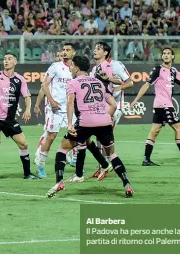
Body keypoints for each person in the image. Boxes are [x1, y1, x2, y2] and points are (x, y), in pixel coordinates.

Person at [46, 56, 134, 198]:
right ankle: (127, 184)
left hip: (85, 122)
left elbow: (70, 103)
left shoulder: (73, 83)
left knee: (63, 148)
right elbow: (113, 104)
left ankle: (59, 182)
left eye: (72, 66)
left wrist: (69, 124)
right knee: (112, 154)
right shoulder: (99, 82)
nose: (71, 68)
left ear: (77, 67)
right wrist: (104, 116)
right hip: (104, 122)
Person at [130, 48, 180, 166]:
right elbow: (146, 85)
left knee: (154, 131)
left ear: (173, 56)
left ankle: (146, 160)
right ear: (162, 57)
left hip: (160, 106)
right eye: (164, 53)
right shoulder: (158, 70)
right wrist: (135, 100)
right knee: (178, 128)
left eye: (168, 53)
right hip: (164, 105)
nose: (166, 55)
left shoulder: (173, 71)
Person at [76, 42, 134, 180]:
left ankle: (107, 165)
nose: (95, 50)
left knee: (105, 138)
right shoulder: (95, 68)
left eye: (98, 49)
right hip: (101, 106)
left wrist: (116, 88)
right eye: (95, 48)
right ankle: (103, 165)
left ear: (106, 52)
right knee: (99, 137)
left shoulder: (116, 65)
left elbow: (129, 82)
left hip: (114, 106)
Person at [0, 53, 38, 181]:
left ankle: (27, 174)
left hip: (9, 119)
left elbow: (27, 96)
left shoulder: (20, 79)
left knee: (23, 144)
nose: (6, 61)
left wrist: (27, 110)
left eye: (9, 59)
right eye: (5, 59)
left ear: (15, 62)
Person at [35, 44, 75, 179]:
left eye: (67, 50)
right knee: (51, 136)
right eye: (63, 50)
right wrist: (51, 101)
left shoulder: (75, 69)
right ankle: (40, 166)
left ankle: (74, 162)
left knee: (77, 135)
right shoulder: (55, 66)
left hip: (70, 107)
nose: (64, 52)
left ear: (74, 53)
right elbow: (44, 85)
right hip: (55, 108)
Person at [34, 51, 63, 162]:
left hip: (67, 106)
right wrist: (37, 104)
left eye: (61, 55)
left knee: (73, 132)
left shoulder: (70, 70)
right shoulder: (52, 70)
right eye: (58, 56)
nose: (60, 57)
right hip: (52, 106)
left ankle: (72, 157)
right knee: (48, 132)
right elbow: (43, 88)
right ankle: (38, 154)